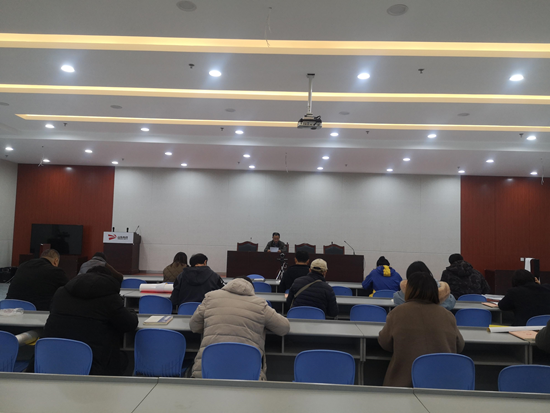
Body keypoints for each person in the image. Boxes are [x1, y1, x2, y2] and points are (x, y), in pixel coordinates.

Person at [43, 266, 138, 375]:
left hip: (51, 359)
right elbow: (129, 324)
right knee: (124, 359)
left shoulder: (60, 292)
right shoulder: (110, 298)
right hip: (94, 365)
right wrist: (130, 311)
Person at [189, 277, 290, 380]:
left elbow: (194, 326)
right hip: (248, 376)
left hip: (206, 373)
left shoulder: (210, 297)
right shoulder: (260, 304)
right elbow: (284, 328)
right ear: (252, 289)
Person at [378, 272, 465, 387]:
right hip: (442, 384)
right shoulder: (448, 315)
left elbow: (385, 343)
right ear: (435, 291)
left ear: (408, 291)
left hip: (404, 384)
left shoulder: (397, 313)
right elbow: (459, 346)